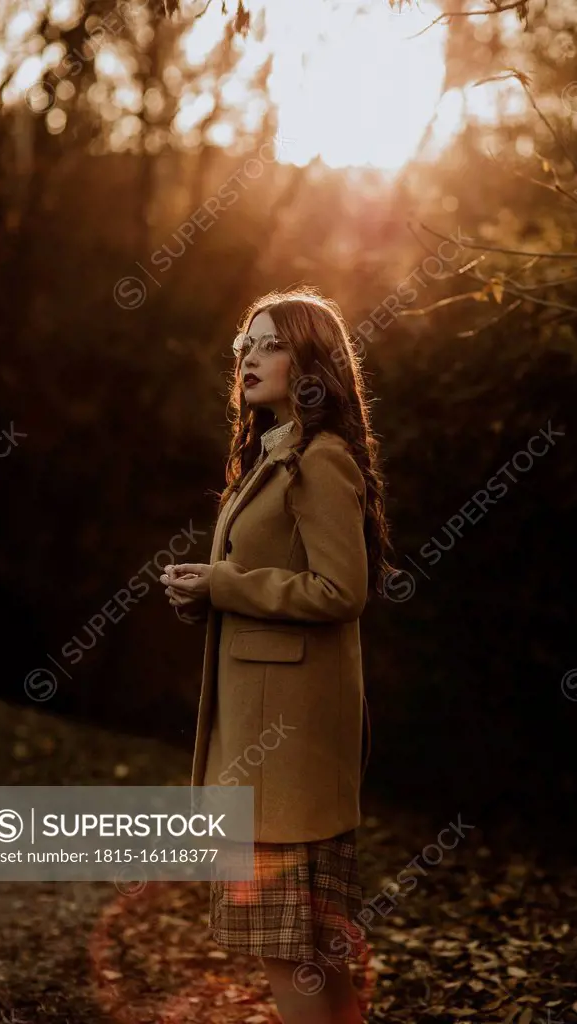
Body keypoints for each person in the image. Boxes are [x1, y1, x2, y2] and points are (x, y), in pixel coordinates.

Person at [159, 286, 395, 1024]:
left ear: (312, 361)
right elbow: (274, 583)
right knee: (307, 952)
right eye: (244, 347)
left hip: (284, 754)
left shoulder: (320, 461)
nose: (248, 359)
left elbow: (339, 590)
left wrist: (227, 582)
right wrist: (209, 592)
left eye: (269, 344)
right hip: (265, 748)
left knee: (290, 953)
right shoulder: (274, 454)